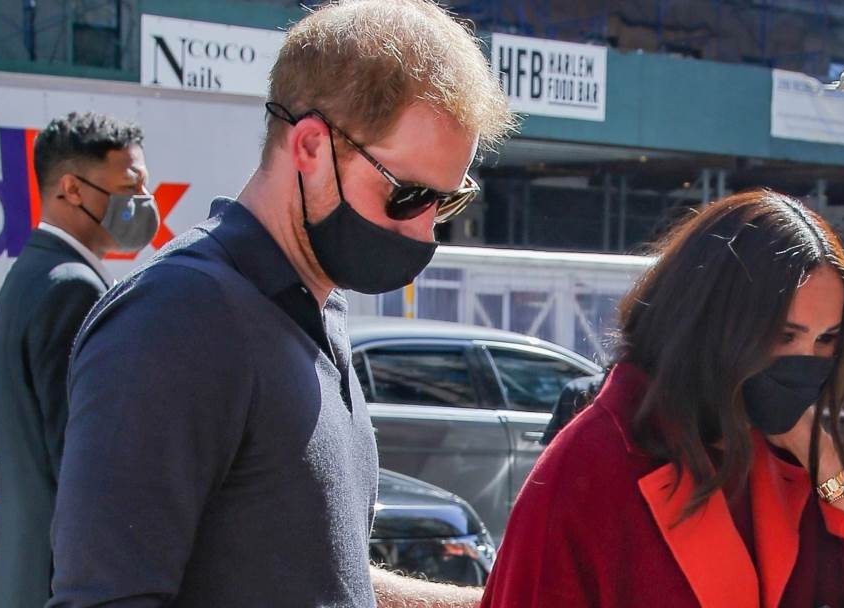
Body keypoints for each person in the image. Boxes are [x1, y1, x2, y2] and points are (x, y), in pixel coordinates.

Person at [48, 1, 514, 606]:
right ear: (311, 146)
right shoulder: (175, 318)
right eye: (408, 195)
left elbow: (317, 577)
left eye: (446, 203)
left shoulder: (316, 312)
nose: (425, 230)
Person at [481, 190, 844, 607]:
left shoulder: (785, 457)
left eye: (826, 340)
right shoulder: (594, 461)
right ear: (713, 323)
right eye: (785, 335)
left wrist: (828, 462)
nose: (805, 361)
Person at [0, 112, 154, 608]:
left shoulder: (33, 273)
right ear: (71, 189)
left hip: (30, 575)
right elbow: (83, 465)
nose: (143, 200)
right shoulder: (73, 289)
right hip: (64, 583)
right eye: (128, 187)